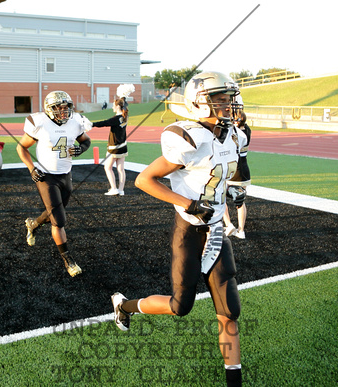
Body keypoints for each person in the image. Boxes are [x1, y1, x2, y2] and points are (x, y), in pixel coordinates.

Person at [112, 72, 248, 387]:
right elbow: (144, 180)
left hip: (214, 230)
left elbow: (230, 167)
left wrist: (233, 190)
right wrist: (187, 203)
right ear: (198, 104)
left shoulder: (234, 135)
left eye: (229, 98)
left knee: (229, 311)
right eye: (219, 99)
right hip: (188, 230)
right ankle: (124, 305)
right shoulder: (189, 137)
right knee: (180, 306)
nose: (228, 105)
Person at [17, 90, 92, 277]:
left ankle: (34, 224)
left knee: (53, 215)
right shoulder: (40, 123)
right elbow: (21, 147)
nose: (63, 111)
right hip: (45, 176)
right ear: (49, 109)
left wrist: (80, 149)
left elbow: (86, 141)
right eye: (59, 107)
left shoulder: (75, 122)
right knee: (59, 221)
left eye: (66, 107)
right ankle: (68, 260)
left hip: (66, 174)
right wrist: (31, 168)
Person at [223, 105, 251, 239]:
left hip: (232, 167)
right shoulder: (247, 130)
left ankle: (228, 224)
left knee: (220, 198)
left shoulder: (234, 133)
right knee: (240, 202)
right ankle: (241, 230)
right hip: (244, 169)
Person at [92, 97, 129, 196]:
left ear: (117, 106)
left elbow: (104, 123)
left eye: (113, 105)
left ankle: (113, 188)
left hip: (114, 148)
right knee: (121, 169)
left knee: (107, 167)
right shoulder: (125, 116)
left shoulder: (116, 119)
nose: (112, 107)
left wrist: (91, 124)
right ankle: (121, 190)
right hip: (123, 146)